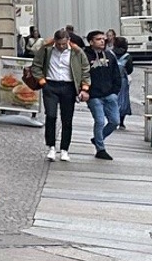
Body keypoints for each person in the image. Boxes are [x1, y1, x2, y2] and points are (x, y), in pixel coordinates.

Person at [30, 26, 88, 162]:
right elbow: (36, 65)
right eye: (59, 44)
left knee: (67, 119)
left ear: (68, 40)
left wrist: (84, 88)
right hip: (50, 85)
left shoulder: (77, 52)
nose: (61, 47)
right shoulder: (46, 49)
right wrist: (42, 82)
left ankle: (64, 149)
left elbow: (85, 69)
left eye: (64, 44)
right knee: (50, 116)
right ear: (55, 41)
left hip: (68, 86)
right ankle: (51, 147)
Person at [84, 29, 123, 160]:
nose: (102, 41)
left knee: (115, 121)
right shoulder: (85, 56)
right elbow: (81, 74)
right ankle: (100, 149)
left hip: (109, 94)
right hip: (94, 96)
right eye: (98, 39)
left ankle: (98, 138)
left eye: (103, 39)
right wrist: (86, 91)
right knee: (99, 121)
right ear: (91, 42)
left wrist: (115, 92)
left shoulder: (110, 55)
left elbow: (116, 74)